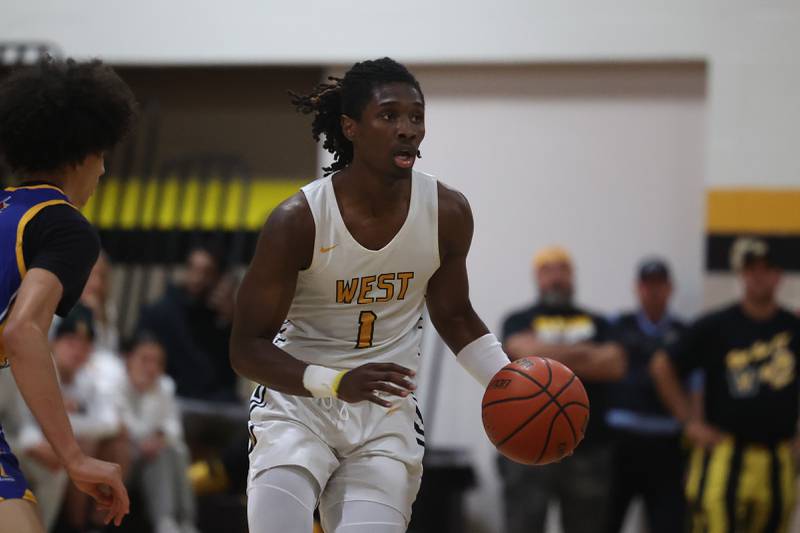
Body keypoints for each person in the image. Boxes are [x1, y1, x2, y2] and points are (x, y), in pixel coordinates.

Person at [229, 57, 511, 533]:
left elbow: (456, 316)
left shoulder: (447, 212)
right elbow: (245, 349)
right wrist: (336, 382)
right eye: (389, 116)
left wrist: (513, 384)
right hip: (299, 406)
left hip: (385, 417)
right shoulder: (298, 220)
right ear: (351, 127)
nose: (407, 129)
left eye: (416, 116)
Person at [0, 57, 136, 532]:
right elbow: (22, 330)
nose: (102, 171)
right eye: (101, 155)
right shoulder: (62, 224)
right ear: (81, 153)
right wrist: (75, 456)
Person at [651, 237, 800, 533]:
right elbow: (662, 364)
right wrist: (690, 422)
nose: (758, 276)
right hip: (725, 452)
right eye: (751, 269)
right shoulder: (716, 324)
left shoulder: (792, 326)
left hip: (778, 455)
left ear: (778, 276)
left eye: (765, 269)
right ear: (742, 275)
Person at [499, 245, 626, 533]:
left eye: (562, 269)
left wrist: (544, 354)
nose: (556, 277)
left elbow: (614, 365)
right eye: (547, 270)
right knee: (522, 526)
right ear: (536, 277)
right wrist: (585, 354)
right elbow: (519, 352)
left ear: (572, 275)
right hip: (526, 445)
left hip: (589, 445)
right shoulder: (517, 319)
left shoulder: (599, 321)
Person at [604, 258, 686, 533]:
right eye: (647, 284)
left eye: (659, 284)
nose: (653, 291)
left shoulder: (684, 333)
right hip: (621, 441)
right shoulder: (616, 325)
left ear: (669, 288)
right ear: (637, 288)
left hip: (666, 442)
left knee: (668, 522)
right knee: (606, 519)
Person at [116, 333, 198, 533]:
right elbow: (119, 424)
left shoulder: (165, 385)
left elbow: (174, 428)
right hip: (123, 459)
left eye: (157, 362)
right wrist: (152, 437)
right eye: (145, 360)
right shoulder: (114, 383)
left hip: (154, 456)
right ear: (129, 358)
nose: (151, 368)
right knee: (165, 452)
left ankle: (184, 522)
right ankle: (167, 521)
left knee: (176, 451)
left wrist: (157, 438)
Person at [138, 245, 238, 402]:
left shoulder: (220, 321)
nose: (198, 278)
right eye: (193, 269)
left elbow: (228, 378)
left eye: (206, 272)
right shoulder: (160, 313)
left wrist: (231, 322)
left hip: (211, 407)